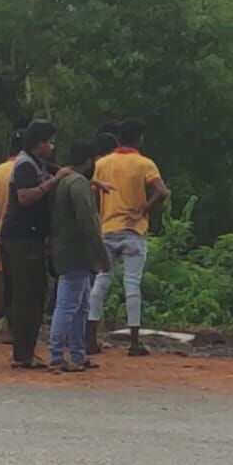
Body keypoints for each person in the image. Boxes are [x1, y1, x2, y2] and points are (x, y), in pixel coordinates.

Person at [87, 117, 169, 356]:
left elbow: (93, 194)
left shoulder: (102, 163)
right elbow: (162, 191)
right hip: (134, 230)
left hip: (108, 227)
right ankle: (134, 342)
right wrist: (143, 208)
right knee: (132, 284)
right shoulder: (145, 164)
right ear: (138, 139)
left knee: (102, 281)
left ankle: (90, 338)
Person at [1, 121, 64, 369]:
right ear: (39, 143)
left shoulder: (38, 163)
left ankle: (26, 350)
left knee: (36, 294)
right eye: (49, 141)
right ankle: (22, 354)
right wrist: (53, 182)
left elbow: (59, 171)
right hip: (21, 238)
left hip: (32, 237)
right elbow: (25, 197)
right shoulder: (25, 165)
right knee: (27, 296)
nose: (52, 146)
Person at [48, 141, 109, 372]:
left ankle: (78, 354)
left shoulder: (65, 181)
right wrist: (100, 254)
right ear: (89, 161)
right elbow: (88, 223)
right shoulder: (79, 184)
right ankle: (56, 356)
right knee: (67, 305)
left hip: (66, 250)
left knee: (81, 305)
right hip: (76, 253)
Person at [0, 128, 24, 338]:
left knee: (9, 282)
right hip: (27, 235)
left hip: (4, 233)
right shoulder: (34, 168)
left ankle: (10, 328)